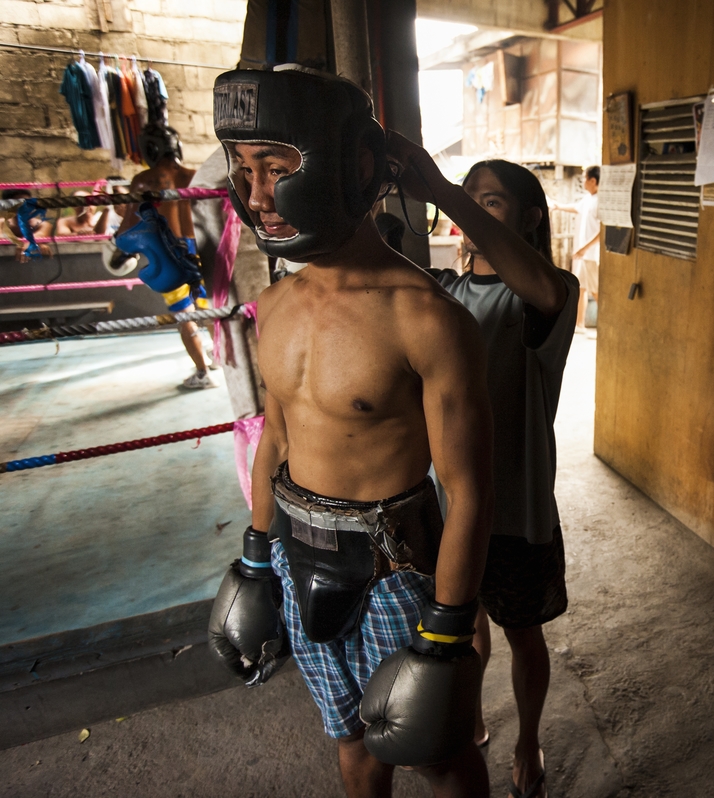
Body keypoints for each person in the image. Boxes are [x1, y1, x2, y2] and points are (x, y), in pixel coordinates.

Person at [208, 65, 495, 798]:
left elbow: (468, 493)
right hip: (295, 555)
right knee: (353, 747)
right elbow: (275, 439)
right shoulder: (274, 303)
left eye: (278, 167)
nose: (259, 195)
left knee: (439, 751)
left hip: (392, 570)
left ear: (351, 167)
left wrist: (447, 632)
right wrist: (253, 556)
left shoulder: (424, 317)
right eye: (246, 170)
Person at [390, 139, 579, 798]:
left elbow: (538, 285)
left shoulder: (547, 296)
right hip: (447, 506)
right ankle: (470, 719)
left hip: (515, 505)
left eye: (488, 200)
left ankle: (528, 739)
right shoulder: (441, 292)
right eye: (470, 198)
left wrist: (443, 192)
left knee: (521, 634)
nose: (471, 210)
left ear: (529, 219)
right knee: (462, 630)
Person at [113, 124, 213, 389]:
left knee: (185, 316)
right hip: (205, 248)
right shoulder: (198, 175)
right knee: (213, 310)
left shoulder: (145, 180)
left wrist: (122, 251)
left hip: (169, 250)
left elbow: (127, 230)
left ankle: (203, 373)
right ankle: (223, 360)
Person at [550, 165, 600, 334]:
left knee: (596, 290)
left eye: (585, 178)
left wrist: (584, 249)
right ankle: (580, 324)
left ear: (593, 181)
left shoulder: (601, 201)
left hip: (591, 254)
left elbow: (603, 232)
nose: (583, 182)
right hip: (583, 254)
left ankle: (605, 324)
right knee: (582, 288)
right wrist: (557, 206)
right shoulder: (588, 199)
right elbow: (575, 208)